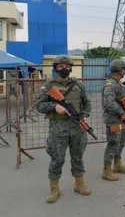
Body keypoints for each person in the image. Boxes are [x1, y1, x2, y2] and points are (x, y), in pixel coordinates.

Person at [35, 55, 92, 203]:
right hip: (58, 130)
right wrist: (55, 106)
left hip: (77, 129)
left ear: (71, 68)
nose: (64, 69)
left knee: (78, 157)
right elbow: (39, 105)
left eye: (66, 66)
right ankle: (54, 189)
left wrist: (84, 115)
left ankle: (79, 184)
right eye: (60, 66)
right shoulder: (48, 86)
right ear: (55, 68)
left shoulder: (78, 85)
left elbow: (87, 103)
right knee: (57, 159)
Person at [101, 59, 125, 181]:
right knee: (113, 143)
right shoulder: (111, 84)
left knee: (121, 141)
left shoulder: (118, 82)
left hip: (120, 118)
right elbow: (109, 102)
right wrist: (121, 113)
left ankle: (117, 165)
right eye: (124, 69)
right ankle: (106, 171)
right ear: (121, 70)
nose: (124, 71)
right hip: (113, 118)